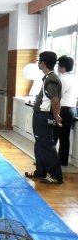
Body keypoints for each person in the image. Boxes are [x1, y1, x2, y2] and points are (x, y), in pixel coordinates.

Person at [25, 51, 63, 184]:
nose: (38, 63)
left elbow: (55, 100)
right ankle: (40, 171)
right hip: (40, 116)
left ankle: (56, 176)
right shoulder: (47, 77)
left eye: (39, 61)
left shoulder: (51, 80)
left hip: (44, 117)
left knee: (47, 146)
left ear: (44, 63)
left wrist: (56, 116)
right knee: (39, 145)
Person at [54, 56, 78, 166]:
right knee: (64, 137)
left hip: (63, 110)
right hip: (71, 110)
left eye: (58, 65)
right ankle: (62, 161)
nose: (57, 67)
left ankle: (49, 160)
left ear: (62, 67)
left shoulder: (63, 79)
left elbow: (57, 96)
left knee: (54, 135)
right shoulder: (74, 78)